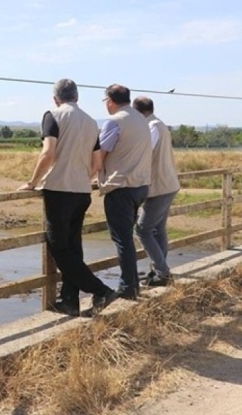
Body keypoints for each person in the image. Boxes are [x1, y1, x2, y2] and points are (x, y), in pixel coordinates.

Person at [18, 79, 117, 317]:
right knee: (73, 246)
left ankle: (102, 290)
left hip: (59, 191)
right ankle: (70, 301)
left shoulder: (53, 116)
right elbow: (97, 163)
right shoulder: (92, 122)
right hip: (82, 191)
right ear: (77, 97)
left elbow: (48, 153)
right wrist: (83, 177)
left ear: (56, 99)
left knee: (59, 248)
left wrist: (33, 182)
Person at [98, 84, 152, 300]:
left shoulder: (114, 121)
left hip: (121, 186)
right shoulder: (141, 119)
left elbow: (100, 154)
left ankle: (128, 286)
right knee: (126, 236)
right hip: (141, 185)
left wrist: (90, 174)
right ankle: (133, 284)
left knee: (122, 238)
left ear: (110, 100)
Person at [132, 96, 180, 287]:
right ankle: (158, 271)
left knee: (142, 230)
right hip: (168, 184)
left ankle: (163, 273)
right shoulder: (160, 125)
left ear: (138, 112)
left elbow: (145, 152)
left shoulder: (151, 127)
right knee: (158, 229)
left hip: (158, 186)